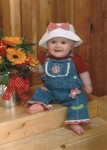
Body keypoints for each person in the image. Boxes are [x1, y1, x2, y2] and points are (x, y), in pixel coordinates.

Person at [27, 22, 93, 135]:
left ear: (72, 45)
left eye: (63, 42)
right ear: (47, 44)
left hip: (71, 93)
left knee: (80, 100)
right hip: (50, 91)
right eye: (53, 42)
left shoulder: (75, 59)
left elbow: (83, 72)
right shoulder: (45, 57)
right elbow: (43, 69)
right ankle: (39, 104)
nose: (58, 46)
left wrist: (87, 84)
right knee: (40, 91)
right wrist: (36, 70)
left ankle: (74, 121)